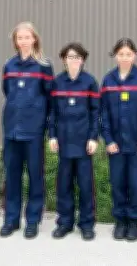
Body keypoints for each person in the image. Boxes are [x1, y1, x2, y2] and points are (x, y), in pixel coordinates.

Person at [0, 22, 54, 239]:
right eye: (19, 38)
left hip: (33, 130)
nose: (23, 41)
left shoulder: (43, 66)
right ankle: (11, 220)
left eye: (26, 37)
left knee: (34, 176)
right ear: (15, 41)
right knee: (12, 176)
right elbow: (7, 92)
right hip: (12, 129)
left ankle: (32, 220)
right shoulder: (9, 65)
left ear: (34, 39)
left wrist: (46, 126)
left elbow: (50, 98)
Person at [100, 38, 137, 242]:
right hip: (116, 144)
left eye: (128, 54)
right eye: (121, 54)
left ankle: (134, 221)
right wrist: (108, 139)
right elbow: (103, 112)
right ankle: (120, 220)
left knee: (136, 184)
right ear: (115, 56)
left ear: (135, 56)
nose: (124, 58)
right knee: (118, 183)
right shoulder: (108, 80)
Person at [48, 42, 100, 241]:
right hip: (63, 142)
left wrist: (93, 137)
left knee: (86, 185)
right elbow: (52, 112)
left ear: (83, 60)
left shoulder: (90, 83)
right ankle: (65, 223)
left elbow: (96, 113)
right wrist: (52, 135)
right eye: (70, 57)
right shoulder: (57, 83)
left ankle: (87, 224)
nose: (73, 61)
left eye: (77, 57)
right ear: (63, 60)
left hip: (84, 144)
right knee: (64, 185)